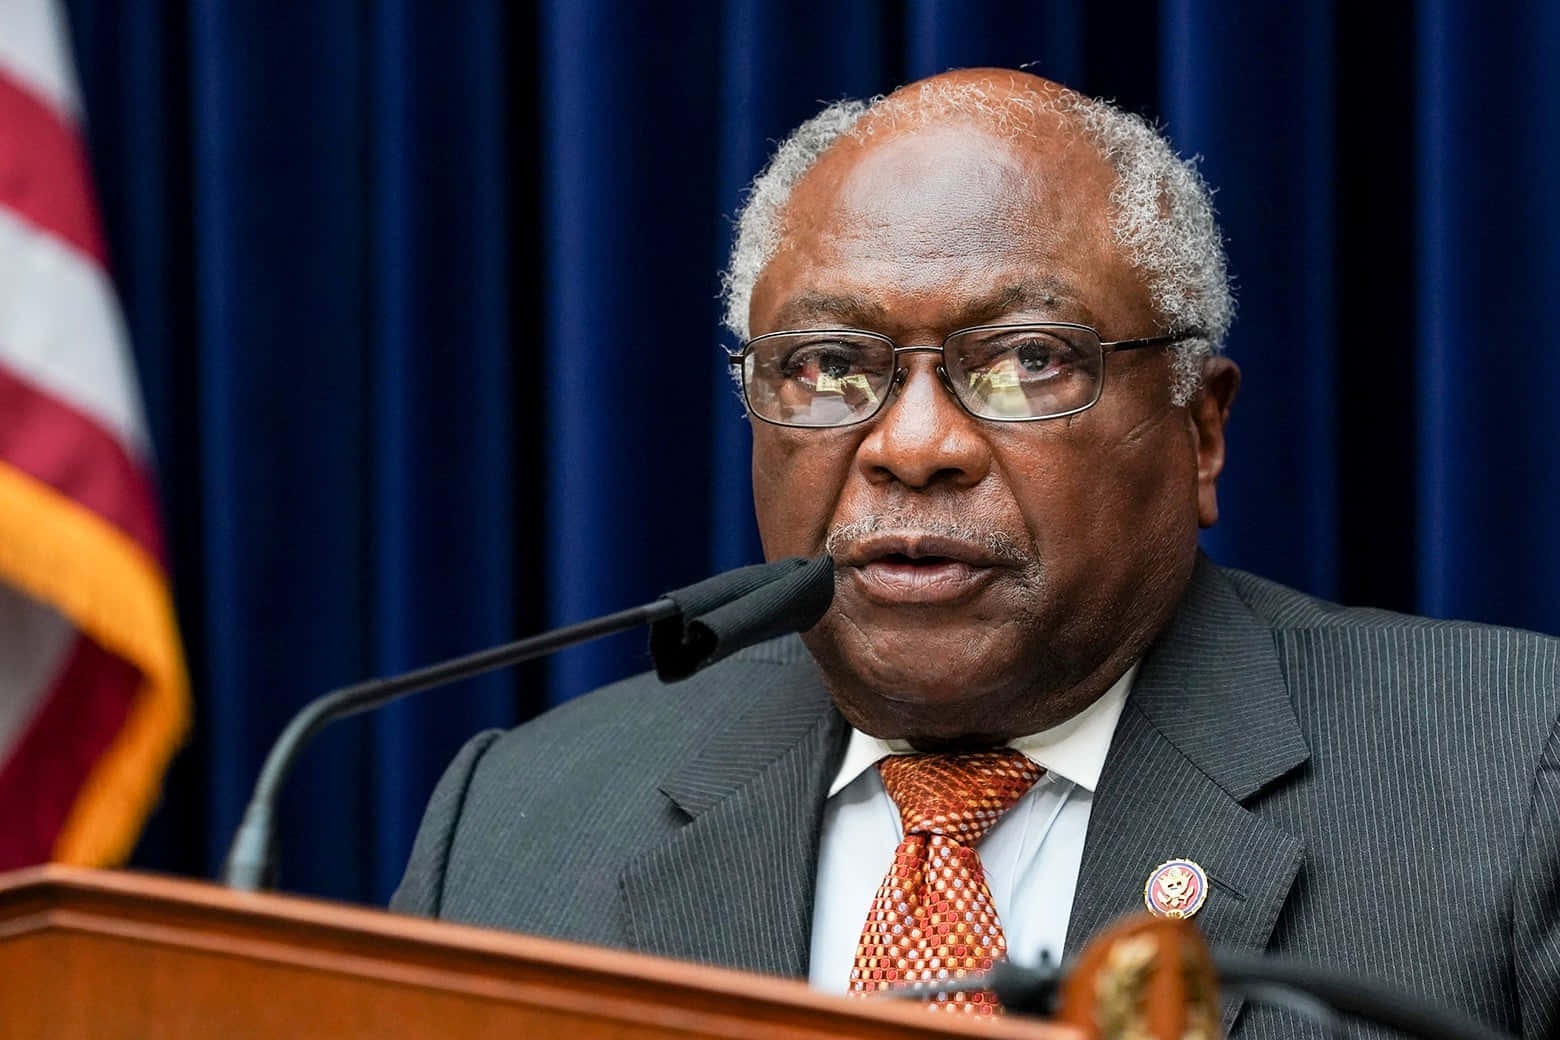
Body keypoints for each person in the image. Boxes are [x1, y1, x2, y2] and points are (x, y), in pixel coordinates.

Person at [392, 69, 1560, 1037]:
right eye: (829, 367)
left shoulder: (1510, 782)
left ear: (1198, 430)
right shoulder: (516, 828)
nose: (913, 444)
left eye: (1026, 359)